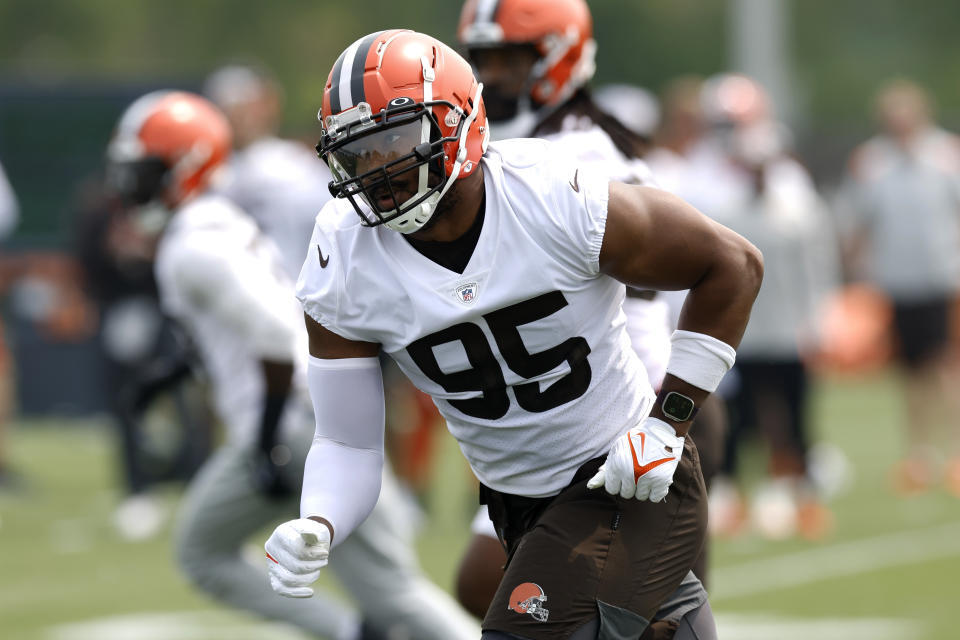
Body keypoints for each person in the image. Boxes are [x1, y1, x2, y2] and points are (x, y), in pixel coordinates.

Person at [264, 29, 762, 640]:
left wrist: (668, 423)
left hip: (623, 476)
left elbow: (732, 264)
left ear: (459, 126)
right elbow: (347, 443)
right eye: (358, 153)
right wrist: (319, 520)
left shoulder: (550, 194)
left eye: (394, 142)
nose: (378, 172)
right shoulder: (343, 253)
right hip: (514, 502)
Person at [105, 90, 480, 640]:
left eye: (144, 172)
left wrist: (263, 441)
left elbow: (280, 336)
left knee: (383, 591)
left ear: (185, 166)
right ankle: (354, 631)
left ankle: (353, 632)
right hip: (309, 420)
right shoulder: (214, 224)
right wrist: (171, 376)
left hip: (299, 426)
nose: (131, 188)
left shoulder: (194, 244)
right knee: (386, 589)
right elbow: (233, 329)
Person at [696, 73, 839, 540]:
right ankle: (734, 497)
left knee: (794, 414)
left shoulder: (795, 204)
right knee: (738, 418)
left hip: (788, 328)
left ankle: (798, 494)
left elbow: (816, 265)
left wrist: (817, 318)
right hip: (747, 330)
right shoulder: (727, 202)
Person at [841, 78, 960, 496]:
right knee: (910, 371)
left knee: (945, 365)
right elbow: (858, 220)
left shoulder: (946, 155)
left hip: (944, 276)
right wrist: (851, 270)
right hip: (898, 279)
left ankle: (955, 453)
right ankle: (920, 455)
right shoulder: (874, 162)